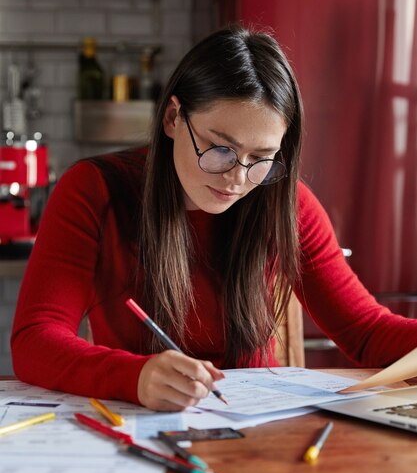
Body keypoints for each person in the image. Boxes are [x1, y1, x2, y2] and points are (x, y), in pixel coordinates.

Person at [11, 25, 417, 412]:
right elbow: (35, 339)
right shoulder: (93, 191)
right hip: (140, 425)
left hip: (258, 434)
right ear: (173, 118)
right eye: (221, 148)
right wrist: (133, 377)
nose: (238, 179)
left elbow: (365, 331)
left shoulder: (284, 202)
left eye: (261, 158)